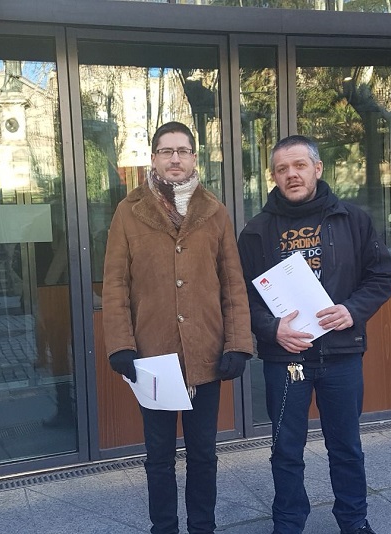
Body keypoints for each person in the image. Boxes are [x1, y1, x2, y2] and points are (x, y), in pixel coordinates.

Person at [237, 135, 391, 534]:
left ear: (317, 168)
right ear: (273, 176)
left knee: (345, 448)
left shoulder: (352, 220)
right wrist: (271, 328)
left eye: (299, 166)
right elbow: (239, 296)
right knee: (286, 451)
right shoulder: (256, 232)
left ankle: (354, 521)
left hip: (341, 356)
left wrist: (352, 311)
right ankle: (288, 524)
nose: (291, 174)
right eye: (281, 169)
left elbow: (382, 275)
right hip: (286, 359)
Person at [102, 121, 254, 534]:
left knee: (204, 453)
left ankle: (202, 526)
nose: (174, 158)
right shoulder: (128, 211)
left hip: (207, 351)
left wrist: (238, 342)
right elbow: (115, 282)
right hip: (154, 357)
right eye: (166, 151)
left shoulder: (215, 211)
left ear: (193, 157)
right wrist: (120, 344)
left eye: (182, 151)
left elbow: (233, 282)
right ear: (153, 158)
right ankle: (163, 528)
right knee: (159, 455)